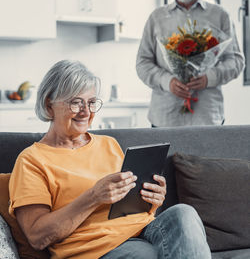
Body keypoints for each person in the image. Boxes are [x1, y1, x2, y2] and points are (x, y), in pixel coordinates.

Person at [9, 60, 211, 259]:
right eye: (76, 102)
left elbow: (132, 206)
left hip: (144, 231)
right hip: (95, 249)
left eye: (91, 103)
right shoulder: (32, 161)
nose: (86, 112)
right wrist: (94, 196)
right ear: (49, 105)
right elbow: (37, 236)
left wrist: (153, 198)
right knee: (145, 254)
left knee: (184, 214)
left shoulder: (108, 144)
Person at [136, 0, 245, 127]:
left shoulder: (220, 15)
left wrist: (209, 78)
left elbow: (236, 61)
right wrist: (167, 81)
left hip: (208, 117)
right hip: (165, 119)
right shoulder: (156, 18)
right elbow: (142, 63)